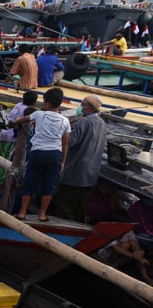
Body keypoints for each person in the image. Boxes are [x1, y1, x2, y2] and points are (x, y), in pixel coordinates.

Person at [12, 87, 70, 221]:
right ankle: (42, 214)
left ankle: (22, 213)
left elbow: (23, 119)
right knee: (49, 185)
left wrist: (18, 121)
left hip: (38, 152)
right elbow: (65, 143)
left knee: (30, 182)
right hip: (55, 155)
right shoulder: (65, 120)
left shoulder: (39, 114)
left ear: (47, 103)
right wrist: (63, 161)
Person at [55, 95, 107, 223]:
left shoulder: (83, 123)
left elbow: (69, 142)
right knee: (81, 207)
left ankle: (65, 229)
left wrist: (63, 130)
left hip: (75, 171)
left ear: (90, 108)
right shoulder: (101, 123)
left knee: (65, 205)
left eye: (82, 104)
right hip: (91, 173)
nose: (80, 107)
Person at [98, 211, 153, 285]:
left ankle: (144, 275)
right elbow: (118, 249)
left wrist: (141, 253)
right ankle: (109, 264)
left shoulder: (127, 230)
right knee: (125, 244)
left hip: (124, 256)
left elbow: (135, 243)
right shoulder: (108, 231)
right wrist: (139, 258)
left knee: (132, 242)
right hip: (107, 256)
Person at [0, 91, 39, 184]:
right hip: (12, 136)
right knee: (7, 160)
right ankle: (2, 181)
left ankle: (1, 178)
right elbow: (19, 124)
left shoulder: (19, 104)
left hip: (4, 133)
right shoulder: (26, 110)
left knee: (3, 157)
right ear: (34, 102)